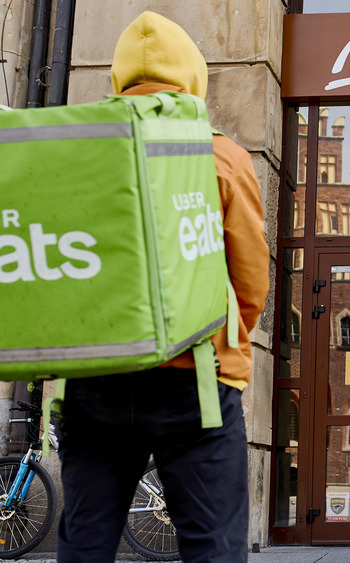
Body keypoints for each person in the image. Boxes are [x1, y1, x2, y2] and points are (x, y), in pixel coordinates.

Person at [56, 11, 269, 563]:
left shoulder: (74, 148)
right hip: (194, 379)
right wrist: (223, 341)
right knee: (212, 545)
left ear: (117, 79)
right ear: (193, 78)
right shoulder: (220, 154)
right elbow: (249, 281)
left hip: (96, 374)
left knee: (86, 542)